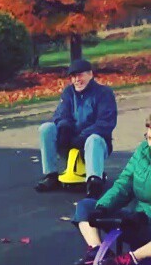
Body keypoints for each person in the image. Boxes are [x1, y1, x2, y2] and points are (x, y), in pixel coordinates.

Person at [72, 114, 151, 265]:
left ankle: (131, 259)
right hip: (136, 221)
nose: (150, 143)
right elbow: (124, 184)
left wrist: (145, 216)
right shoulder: (143, 151)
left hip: (145, 222)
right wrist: (103, 207)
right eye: (149, 137)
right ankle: (98, 251)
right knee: (86, 207)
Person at [35, 59, 117, 198]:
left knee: (93, 138)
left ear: (90, 74)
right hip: (70, 141)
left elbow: (106, 122)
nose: (76, 80)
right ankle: (51, 175)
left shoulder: (104, 93)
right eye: (73, 77)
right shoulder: (68, 92)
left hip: (96, 144)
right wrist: (64, 128)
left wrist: (83, 136)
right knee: (46, 128)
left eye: (80, 75)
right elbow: (61, 114)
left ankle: (94, 181)